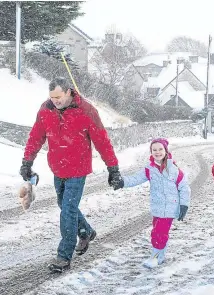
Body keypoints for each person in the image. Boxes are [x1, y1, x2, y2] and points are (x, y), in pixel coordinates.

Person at [19, 77, 123, 272]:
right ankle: (86, 231)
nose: (55, 100)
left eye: (58, 96)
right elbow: (36, 136)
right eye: (52, 97)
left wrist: (113, 168)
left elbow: (101, 140)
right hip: (58, 167)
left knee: (67, 209)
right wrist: (27, 161)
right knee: (65, 205)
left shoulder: (86, 110)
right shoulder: (46, 109)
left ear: (68, 92)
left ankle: (63, 256)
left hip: (78, 168)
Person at [112, 138, 191, 268]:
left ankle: (155, 257)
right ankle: (161, 254)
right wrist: (122, 182)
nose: (157, 152)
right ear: (151, 152)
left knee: (159, 232)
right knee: (158, 230)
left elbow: (184, 188)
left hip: (170, 207)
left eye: (160, 149)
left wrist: (184, 205)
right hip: (157, 207)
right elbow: (136, 178)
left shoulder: (174, 170)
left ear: (166, 151)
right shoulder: (149, 169)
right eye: (154, 150)